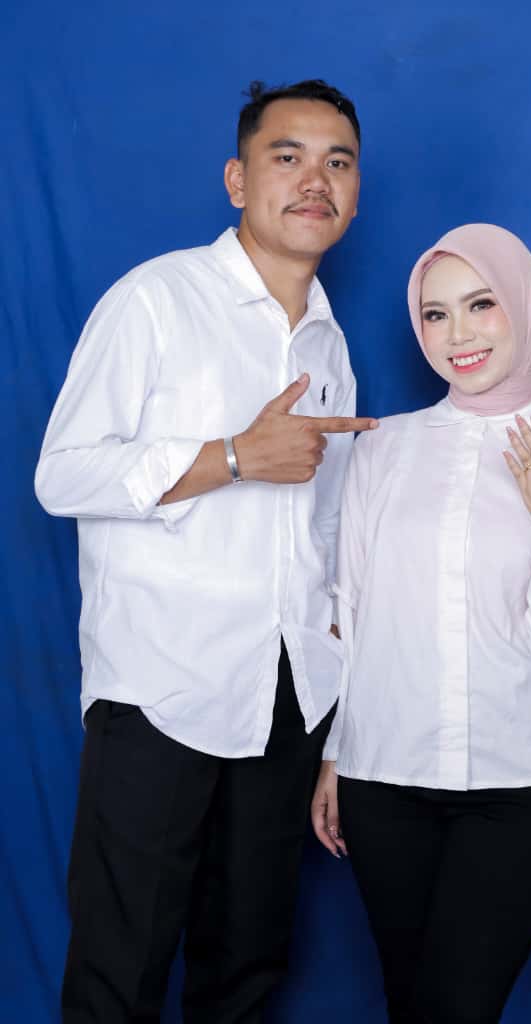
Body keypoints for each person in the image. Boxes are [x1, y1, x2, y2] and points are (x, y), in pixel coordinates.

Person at [35, 78, 378, 1023]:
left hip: (287, 698)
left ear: (355, 196)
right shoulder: (156, 300)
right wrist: (232, 456)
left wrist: (336, 707)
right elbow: (61, 475)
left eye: (338, 163)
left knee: (247, 967)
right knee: (120, 967)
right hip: (163, 688)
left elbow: (328, 535)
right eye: (287, 156)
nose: (315, 180)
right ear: (237, 180)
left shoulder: (331, 346)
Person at [311, 223, 531, 1023]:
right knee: (408, 1002)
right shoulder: (382, 451)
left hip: (518, 783)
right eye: (435, 314)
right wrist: (334, 755)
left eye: (480, 304)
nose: (457, 334)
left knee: (458, 1009)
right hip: (383, 777)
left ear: (523, 305)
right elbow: (350, 611)